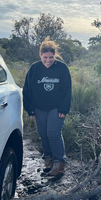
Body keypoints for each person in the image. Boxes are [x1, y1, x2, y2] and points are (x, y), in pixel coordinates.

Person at [23, 37, 72, 176]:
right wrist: (29, 109)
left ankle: (59, 162)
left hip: (56, 108)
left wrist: (64, 109)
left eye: (51, 57)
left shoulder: (62, 68)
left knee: (53, 133)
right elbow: (27, 90)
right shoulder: (34, 68)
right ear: (40, 56)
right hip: (39, 108)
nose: (48, 60)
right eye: (45, 57)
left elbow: (67, 90)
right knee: (43, 134)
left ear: (55, 55)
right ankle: (48, 159)